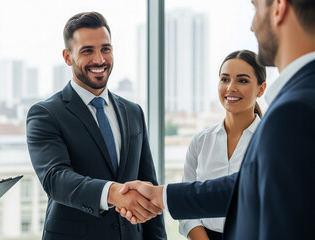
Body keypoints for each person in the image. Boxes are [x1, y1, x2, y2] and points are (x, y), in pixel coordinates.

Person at [118, 0, 315, 239]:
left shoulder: (294, 108)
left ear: (278, 8)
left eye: (255, 7)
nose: (252, 26)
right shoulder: (297, 101)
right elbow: (246, 187)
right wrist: (160, 195)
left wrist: (158, 196)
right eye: (224, 79)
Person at [26, 12, 166, 240]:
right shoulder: (46, 114)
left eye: (106, 49)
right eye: (87, 51)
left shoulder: (133, 112)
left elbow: (149, 182)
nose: (100, 60)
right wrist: (113, 193)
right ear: (68, 57)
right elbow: (55, 178)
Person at [178, 50, 266, 240]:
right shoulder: (200, 142)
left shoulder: (269, 142)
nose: (230, 88)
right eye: (225, 79)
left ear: (261, 89)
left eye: (242, 80)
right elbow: (186, 208)